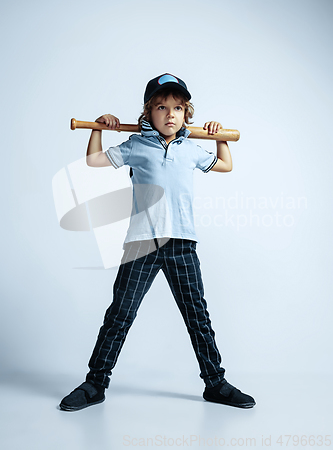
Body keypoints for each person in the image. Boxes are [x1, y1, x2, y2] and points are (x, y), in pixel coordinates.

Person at [59, 73, 255, 411]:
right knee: (120, 314)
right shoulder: (136, 146)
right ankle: (95, 384)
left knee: (198, 316)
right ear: (148, 113)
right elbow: (93, 161)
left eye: (177, 108)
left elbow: (224, 164)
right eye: (161, 107)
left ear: (186, 114)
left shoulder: (191, 149)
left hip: (182, 244)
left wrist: (219, 136)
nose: (170, 114)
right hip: (142, 244)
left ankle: (215, 383)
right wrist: (99, 129)